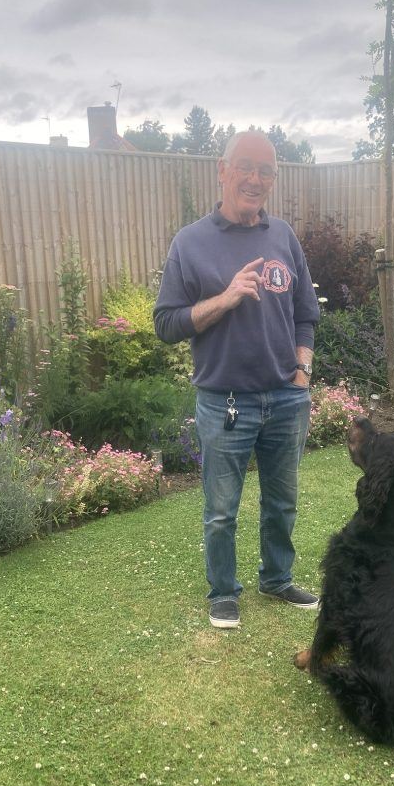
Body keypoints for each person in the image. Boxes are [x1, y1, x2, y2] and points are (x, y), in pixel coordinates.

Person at [154, 130, 320, 629]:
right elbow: (166, 324)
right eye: (245, 167)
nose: (255, 179)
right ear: (222, 170)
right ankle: (223, 592)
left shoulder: (283, 236)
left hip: (286, 399)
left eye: (266, 171)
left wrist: (303, 370)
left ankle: (277, 578)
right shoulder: (190, 242)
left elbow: (306, 314)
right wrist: (226, 299)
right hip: (224, 401)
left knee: (282, 502)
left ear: (274, 178)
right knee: (222, 509)